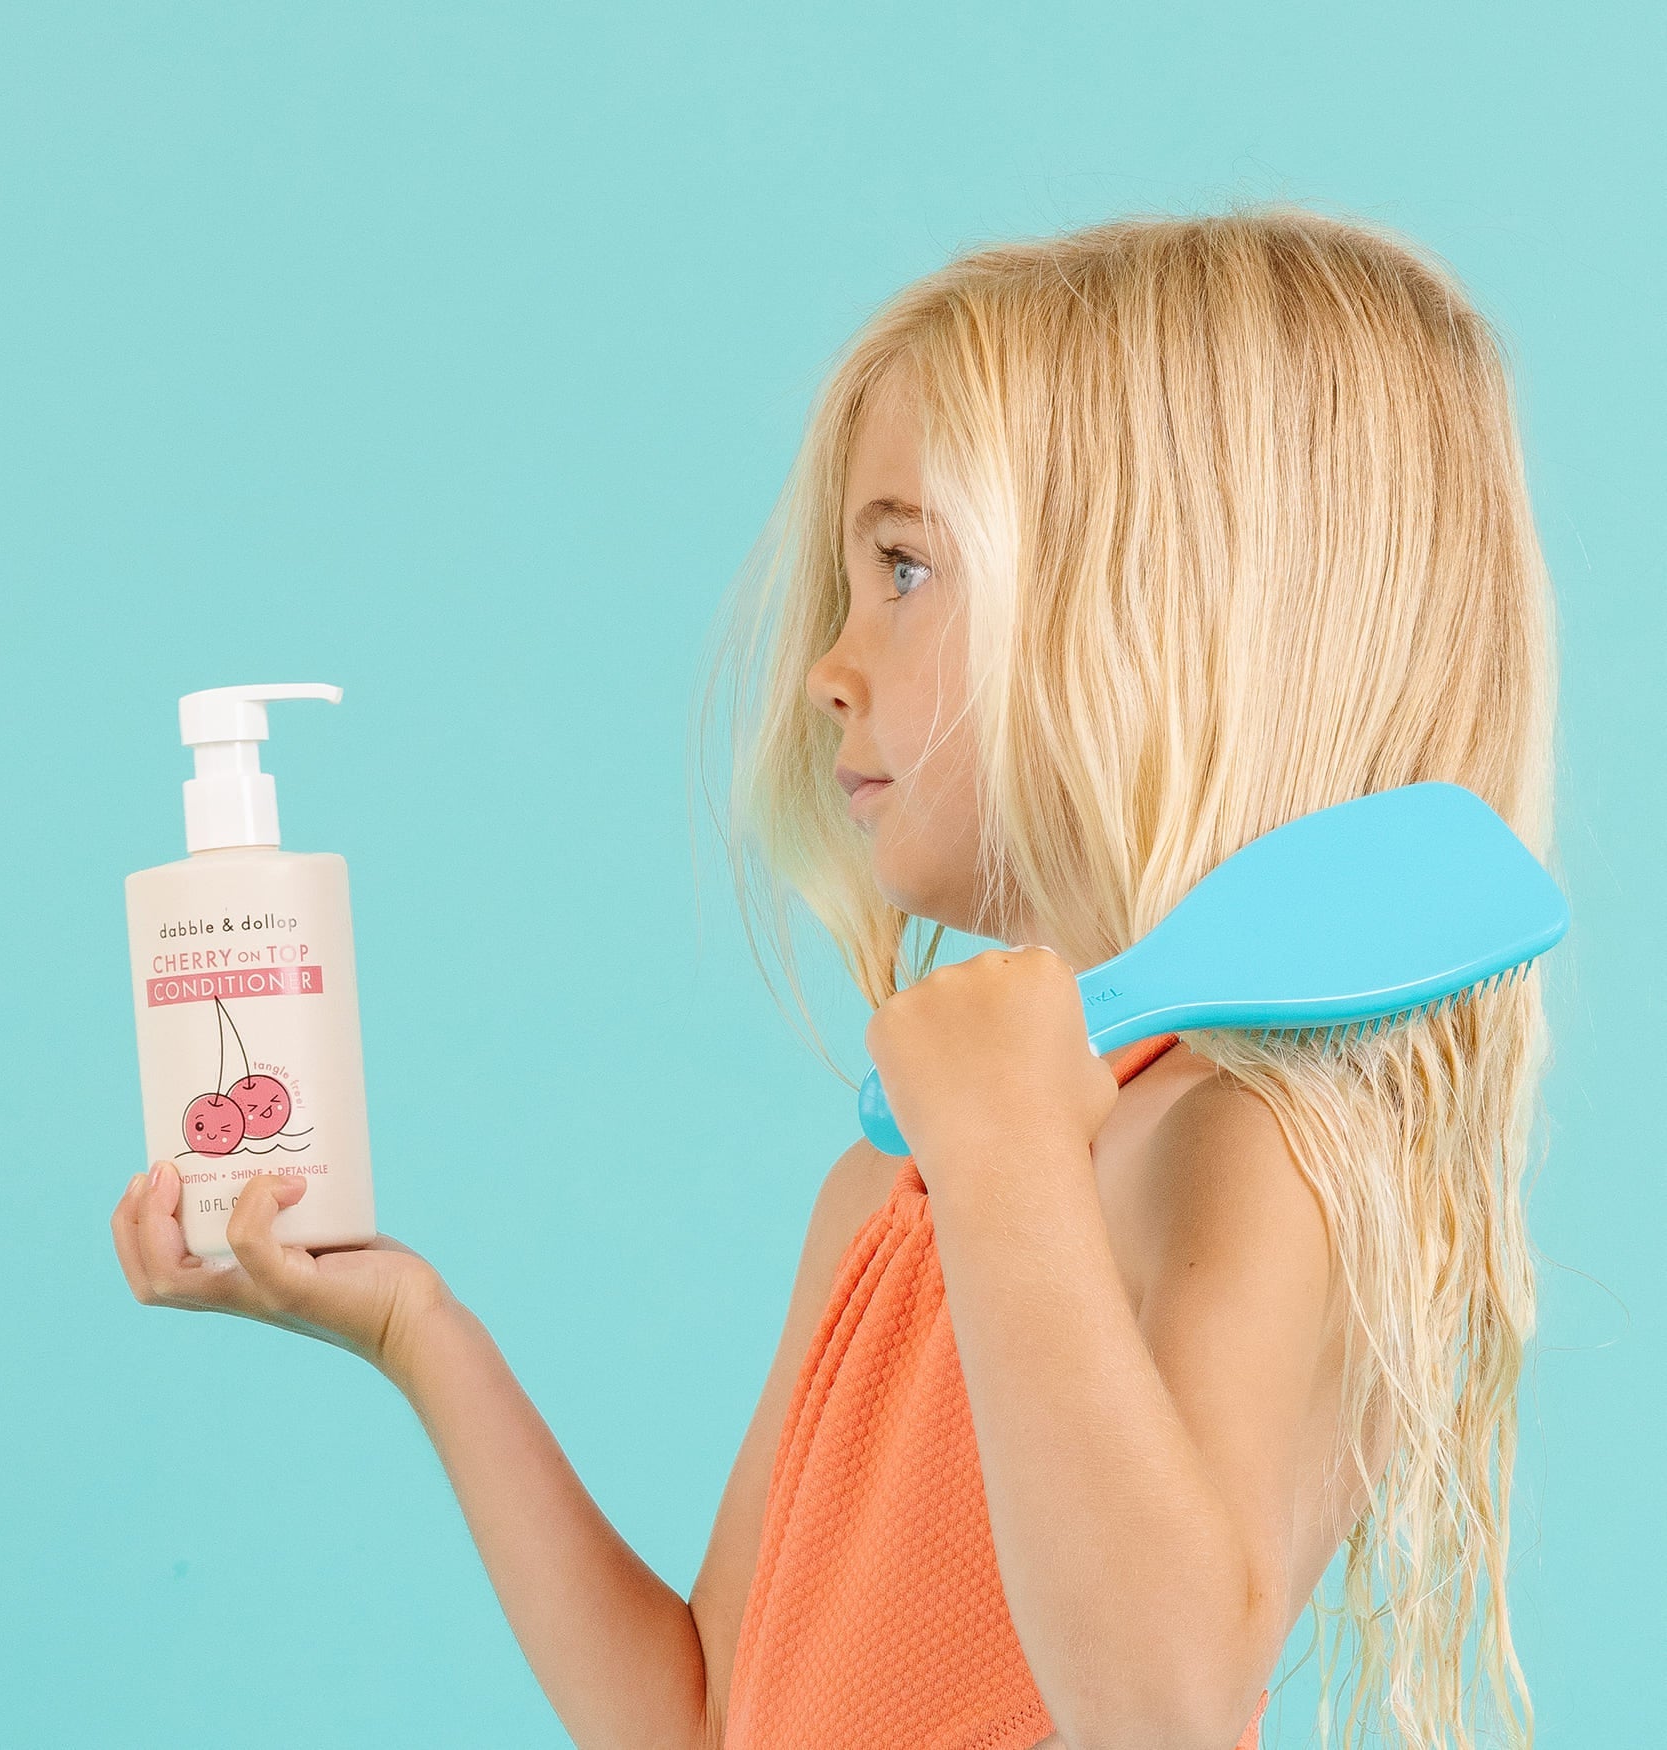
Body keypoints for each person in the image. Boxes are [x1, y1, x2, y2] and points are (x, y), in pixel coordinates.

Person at [111, 202, 1558, 1750]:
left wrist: (1008, 1154)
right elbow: (694, 1715)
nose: (827, 658)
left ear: (1157, 606)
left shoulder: (1246, 1147)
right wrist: (417, 1332)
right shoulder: (886, 1192)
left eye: (905, 568)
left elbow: (1164, 1711)